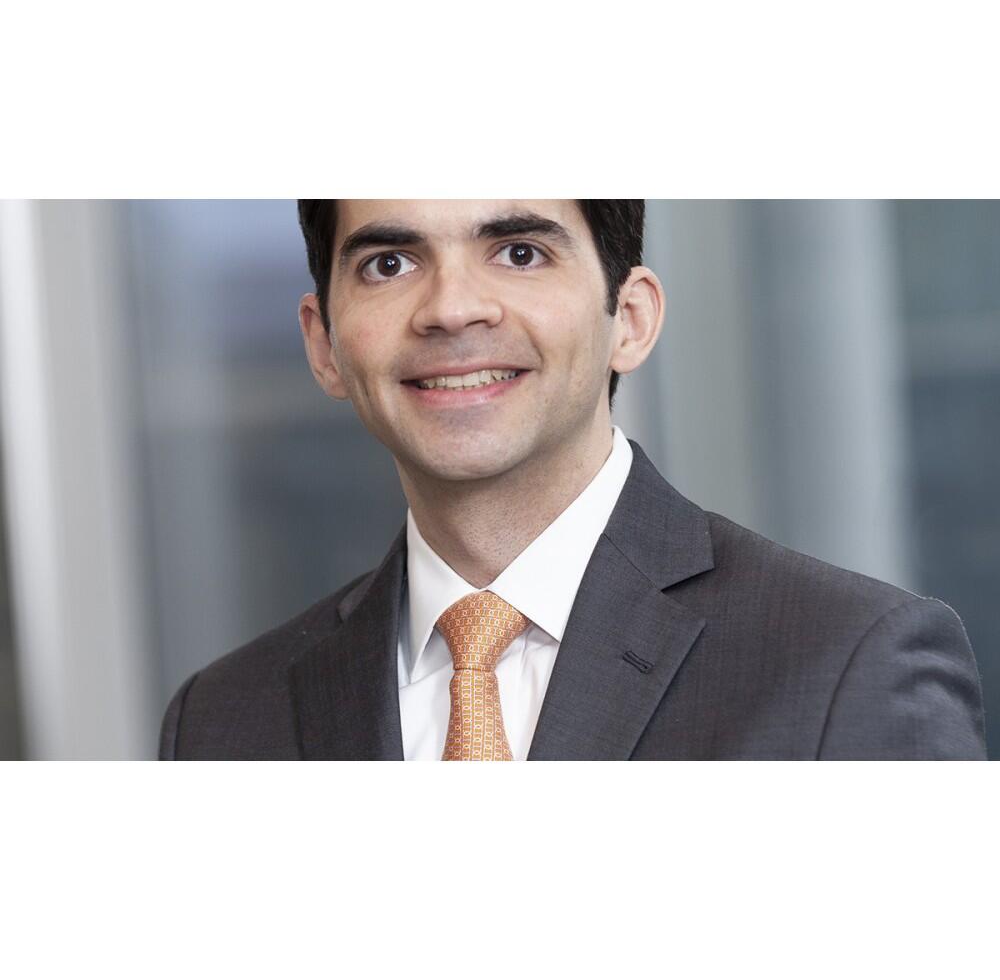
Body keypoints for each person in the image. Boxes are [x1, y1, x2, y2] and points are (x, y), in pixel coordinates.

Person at [159, 199, 987, 760]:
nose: (451, 308)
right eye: (389, 263)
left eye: (519, 252)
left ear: (631, 319)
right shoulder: (222, 723)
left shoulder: (851, 665)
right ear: (324, 345)